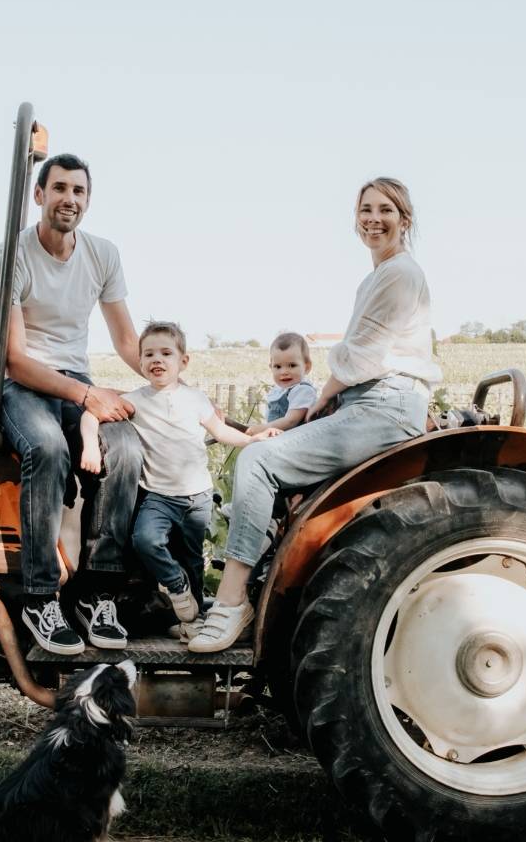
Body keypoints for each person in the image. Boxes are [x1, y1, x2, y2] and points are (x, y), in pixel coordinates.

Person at [187, 178, 440, 653]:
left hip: (383, 403)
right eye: (365, 209)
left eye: (386, 209)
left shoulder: (400, 273)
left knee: (258, 462)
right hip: (372, 399)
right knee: (270, 455)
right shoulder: (381, 275)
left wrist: (323, 395)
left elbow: (360, 356)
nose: (374, 218)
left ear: (405, 219)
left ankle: (230, 601)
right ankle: (257, 584)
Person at [0, 152, 144, 656]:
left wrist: (174, 384)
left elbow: (125, 339)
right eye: (59, 189)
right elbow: (13, 358)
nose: (69, 199)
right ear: (38, 195)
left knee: (125, 450)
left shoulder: (102, 255)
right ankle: (39, 595)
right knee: (48, 448)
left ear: (87, 201)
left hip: (77, 383)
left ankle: (97, 593)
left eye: (78, 191)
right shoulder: (8, 256)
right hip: (23, 386)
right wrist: (86, 394)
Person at [80, 320, 276, 638]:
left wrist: (254, 439)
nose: (157, 360)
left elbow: (221, 431)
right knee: (145, 540)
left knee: (192, 558)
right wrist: (90, 445)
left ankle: (191, 621)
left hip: (196, 496)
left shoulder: (196, 399)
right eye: (149, 354)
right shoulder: (135, 400)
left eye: (166, 353)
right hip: (158, 495)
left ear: (183, 361)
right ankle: (174, 583)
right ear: (140, 361)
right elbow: (91, 414)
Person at [245, 331, 316, 436]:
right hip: (280, 439)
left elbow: (291, 421)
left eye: (292, 365)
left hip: (296, 441)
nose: (284, 372)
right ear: (271, 367)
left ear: (307, 367)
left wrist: (262, 429)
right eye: (278, 366)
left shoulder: (303, 391)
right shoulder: (277, 390)